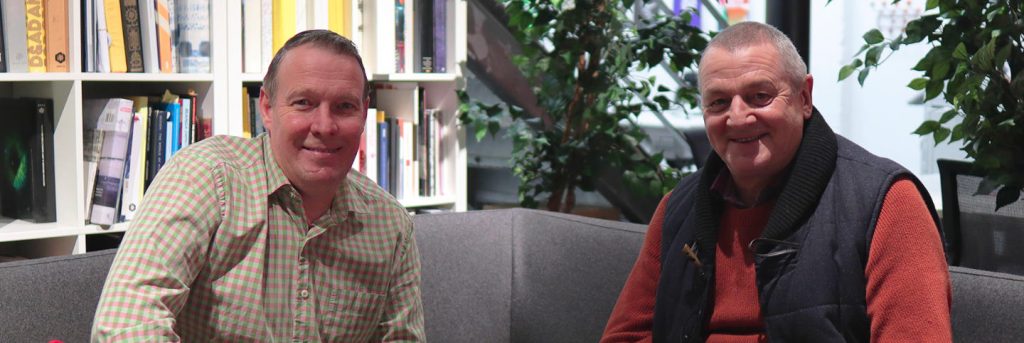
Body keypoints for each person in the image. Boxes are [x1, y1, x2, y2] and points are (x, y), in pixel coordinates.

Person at [601, 22, 950, 342]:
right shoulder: (679, 208)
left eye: (760, 97)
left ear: (804, 98)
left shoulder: (887, 203)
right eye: (719, 102)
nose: (738, 118)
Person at [92, 30, 425, 342]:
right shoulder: (207, 177)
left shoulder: (390, 225)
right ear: (267, 107)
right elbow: (127, 324)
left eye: (345, 106)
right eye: (304, 103)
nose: (325, 125)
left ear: (364, 113)